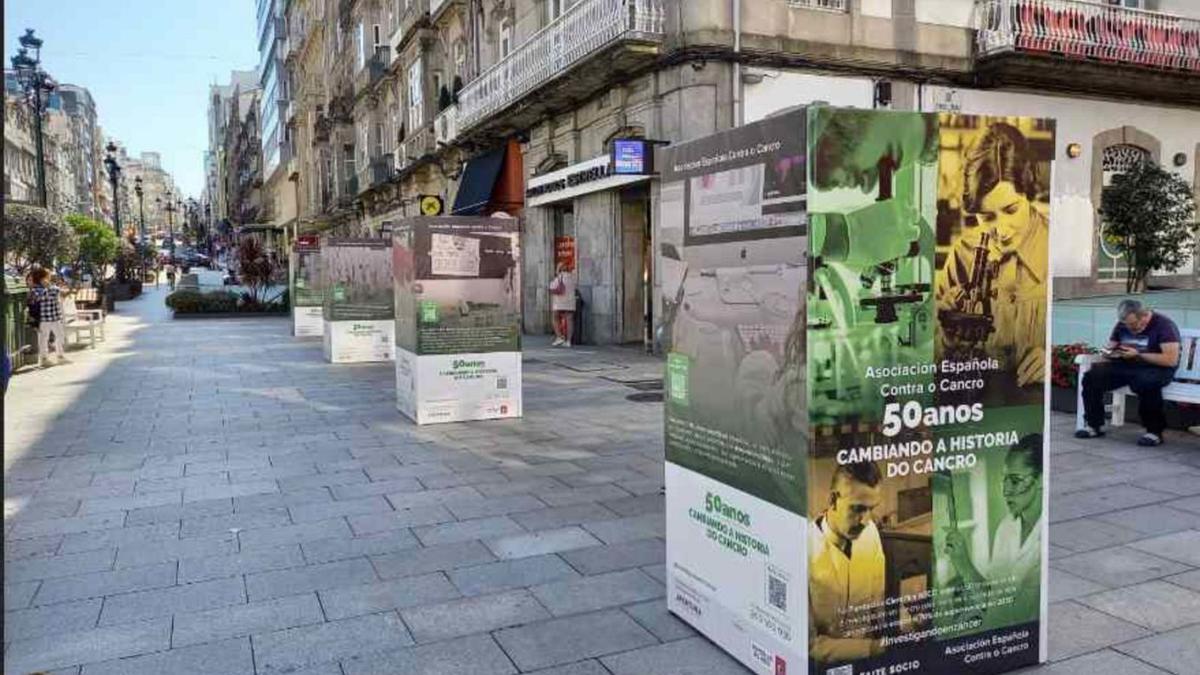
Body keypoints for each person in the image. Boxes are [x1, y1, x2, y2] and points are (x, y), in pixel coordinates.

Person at [937, 122, 1049, 389]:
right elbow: (930, 359)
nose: (1000, 229)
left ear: (1030, 194)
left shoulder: (1055, 245)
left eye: (1011, 209)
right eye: (986, 216)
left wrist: (1053, 359)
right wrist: (946, 337)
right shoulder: (963, 255)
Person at [943, 434, 1043, 629]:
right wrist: (964, 565)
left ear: (1040, 479)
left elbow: (1016, 614)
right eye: (1005, 480)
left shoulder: (1044, 539)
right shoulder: (1006, 527)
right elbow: (993, 601)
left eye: (1015, 481)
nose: (1005, 490)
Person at [808, 460, 887, 663]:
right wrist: (872, 648)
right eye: (858, 509)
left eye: (872, 509)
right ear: (833, 500)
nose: (866, 520)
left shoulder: (871, 534)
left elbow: (879, 608)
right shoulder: (803, 548)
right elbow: (808, 644)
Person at [1077, 300, 1181, 446]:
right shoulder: (1123, 324)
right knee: (1092, 377)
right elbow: (1109, 347)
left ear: (1144, 316)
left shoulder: (1164, 325)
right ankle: (1094, 425)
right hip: (1127, 365)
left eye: (1132, 325)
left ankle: (1154, 432)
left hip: (1157, 367)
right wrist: (1108, 353)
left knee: (1145, 382)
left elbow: (1170, 360)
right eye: (1126, 324)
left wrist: (1138, 355)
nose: (1129, 328)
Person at [29, 268, 69, 367]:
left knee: (60, 335)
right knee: (43, 339)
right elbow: (40, 298)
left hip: (55, 316)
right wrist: (49, 289)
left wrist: (52, 288)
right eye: (48, 275)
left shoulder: (51, 287)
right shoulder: (35, 289)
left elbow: (60, 292)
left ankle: (60, 356)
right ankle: (44, 359)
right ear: (42, 277)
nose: (50, 276)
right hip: (44, 318)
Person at [549, 261, 576, 347]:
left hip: (560, 302)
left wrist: (557, 274)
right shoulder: (572, 277)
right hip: (570, 301)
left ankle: (559, 337)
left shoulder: (559, 277)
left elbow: (552, 287)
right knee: (569, 319)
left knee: (555, 317)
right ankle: (568, 341)